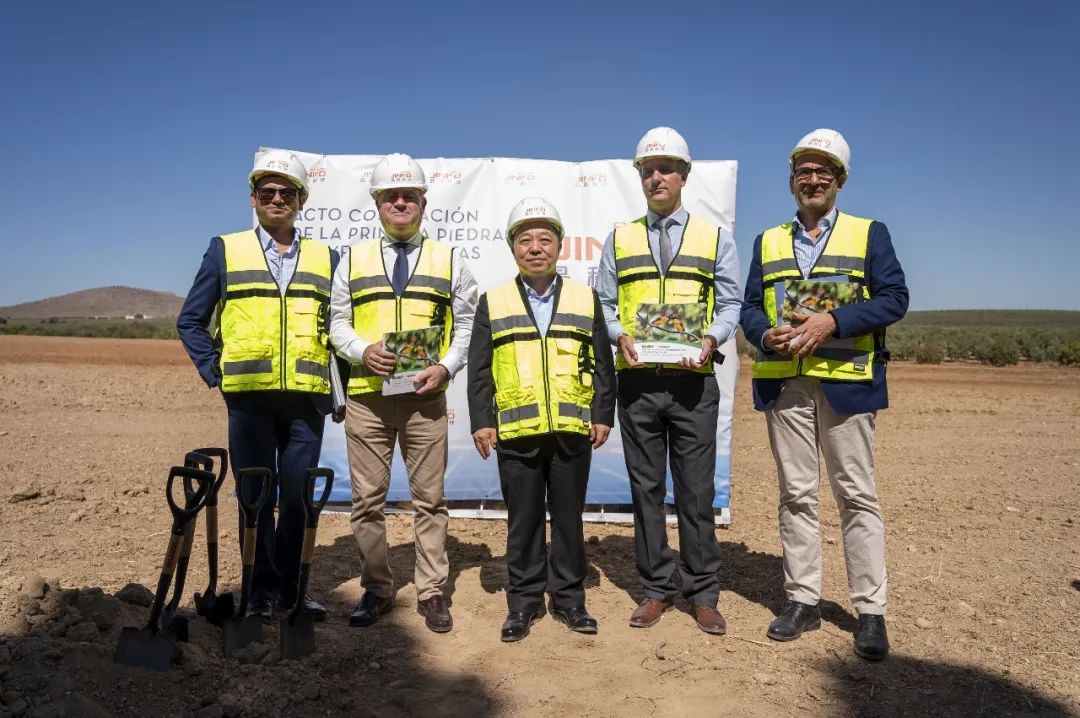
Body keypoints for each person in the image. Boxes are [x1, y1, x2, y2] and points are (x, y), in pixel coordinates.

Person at [740, 128, 909, 661]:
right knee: (796, 493)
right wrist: (763, 334)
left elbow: (895, 298)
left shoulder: (868, 234)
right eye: (803, 171)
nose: (812, 180)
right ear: (792, 180)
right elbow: (750, 307)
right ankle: (803, 601)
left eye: (822, 172)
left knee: (856, 495)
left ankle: (871, 611)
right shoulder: (768, 240)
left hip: (846, 384)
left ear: (839, 180)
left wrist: (834, 320)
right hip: (785, 383)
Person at [177, 150, 343, 622]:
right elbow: (190, 320)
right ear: (253, 198)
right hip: (248, 399)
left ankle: (291, 590)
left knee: (296, 499)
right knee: (256, 496)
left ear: (301, 200)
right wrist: (216, 373)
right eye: (266, 191)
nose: (276, 198)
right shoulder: (225, 250)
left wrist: (340, 390)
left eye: (286, 192)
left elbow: (340, 329)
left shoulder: (327, 258)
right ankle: (259, 591)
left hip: (306, 399)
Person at [595, 127, 741, 634]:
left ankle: (703, 593)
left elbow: (730, 303)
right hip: (638, 383)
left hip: (693, 382)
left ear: (684, 175)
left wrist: (713, 338)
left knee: (696, 493)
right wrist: (618, 335)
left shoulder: (714, 238)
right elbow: (603, 304)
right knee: (647, 490)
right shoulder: (620, 238)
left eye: (665, 169)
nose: (655, 177)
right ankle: (656, 588)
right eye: (647, 170)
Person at [329, 153, 478, 633]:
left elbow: (468, 325)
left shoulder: (450, 259)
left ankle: (431, 591)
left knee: (429, 500)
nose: (399, 203)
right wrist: (361, 350)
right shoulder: (352, 259)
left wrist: (445, 366)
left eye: (408, 195)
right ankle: (377, 588)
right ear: (377, 203)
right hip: (368, 398)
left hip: (424, 399)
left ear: (423, 202)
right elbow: (337, 322)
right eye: (390, 196)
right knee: (366, 502)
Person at [468, 197, 616, 642]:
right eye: (525, 240)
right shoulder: (493, 301)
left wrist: (603, 413)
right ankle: (524, 602)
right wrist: (482, 420)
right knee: (524, 521)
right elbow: (479, 369)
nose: (535, 248)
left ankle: (570, 600)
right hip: (516, 432)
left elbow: (602, 362)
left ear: (559, 246)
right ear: (513, 248)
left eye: (545, 239)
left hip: (571, 429)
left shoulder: (584, 297)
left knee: (569, 519)